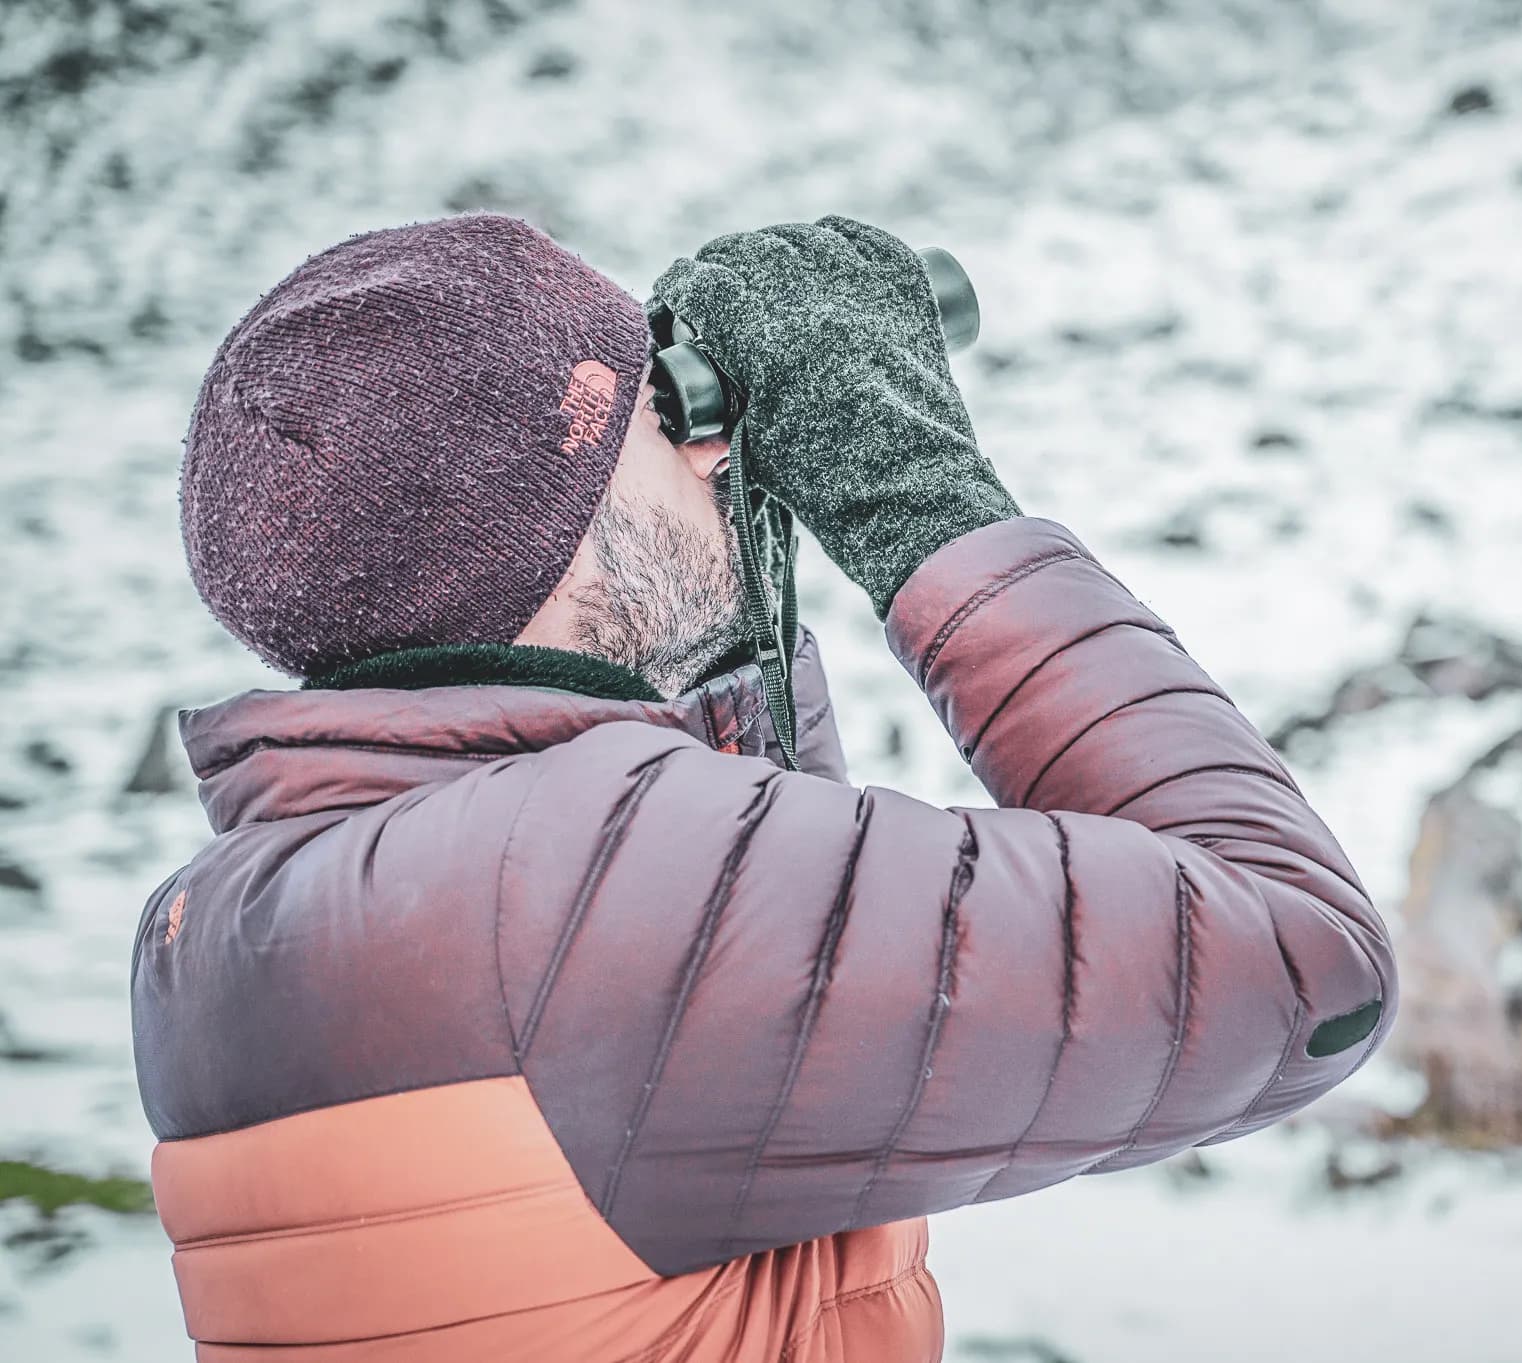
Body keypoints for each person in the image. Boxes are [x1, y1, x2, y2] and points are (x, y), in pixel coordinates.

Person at [131, 211, 1398, 1362]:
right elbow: (1307, 965)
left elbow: (724, 992)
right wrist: (914, 493)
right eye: (659, 416)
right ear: (556, 517)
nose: (708, 454)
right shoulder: (604, 891)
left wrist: (715, 631)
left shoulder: (217, 928)